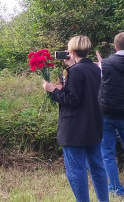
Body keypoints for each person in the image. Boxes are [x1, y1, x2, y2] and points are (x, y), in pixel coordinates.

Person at [42, 35, 109, 202]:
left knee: (76, 171)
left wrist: (53, 90)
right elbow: (85, 95)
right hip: (93, 125)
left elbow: (72, 100)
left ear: (71, 52)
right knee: (97, 168)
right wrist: (64, 87)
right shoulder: (95, 69)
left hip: (74, 129)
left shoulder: (75, 71)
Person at [98, 32, 124, 196]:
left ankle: (115, 188)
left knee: (107, 153)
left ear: (115, 47)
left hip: (106, 113)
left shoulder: (105, 64)